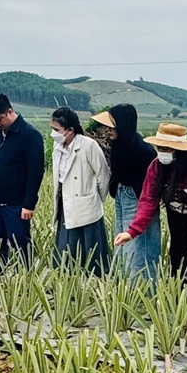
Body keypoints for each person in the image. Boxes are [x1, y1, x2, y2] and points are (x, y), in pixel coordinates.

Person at [114, 123, 187, 287]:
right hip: (176, 203)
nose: (162, 153)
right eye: (160, 148)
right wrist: (132, 231)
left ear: (180, 150)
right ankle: (178, 292)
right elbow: (148, 201)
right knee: (178, 247)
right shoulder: (156, 167)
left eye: (167, 149)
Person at [92, 105, 161, 280]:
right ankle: (126, 289)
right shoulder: (119, 144)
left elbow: (152, 190)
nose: (107, 130)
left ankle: (143, 294)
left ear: (123, 124)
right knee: (122, 246)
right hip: (123, 195)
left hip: (137, 199)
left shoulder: (143, 151)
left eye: (111, 126)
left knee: (139, 247)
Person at [0, 93, 45, 265]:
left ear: (9, 112)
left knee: (20, 242)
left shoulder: (30, 135)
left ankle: (25, 278)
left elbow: (35, 173)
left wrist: (29, 204)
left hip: (17, 203)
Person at [50, 107, 112, 273]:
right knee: (66, 246)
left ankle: (96, 279)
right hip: (66, 201)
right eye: (52, 129)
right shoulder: (57, 148)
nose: (53, 133)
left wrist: (95, 198)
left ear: (70, 130)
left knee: (91, 247)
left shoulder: (88, 145)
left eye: (57, 130)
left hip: (86, 203)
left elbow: (103, 175)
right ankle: (68, 280)